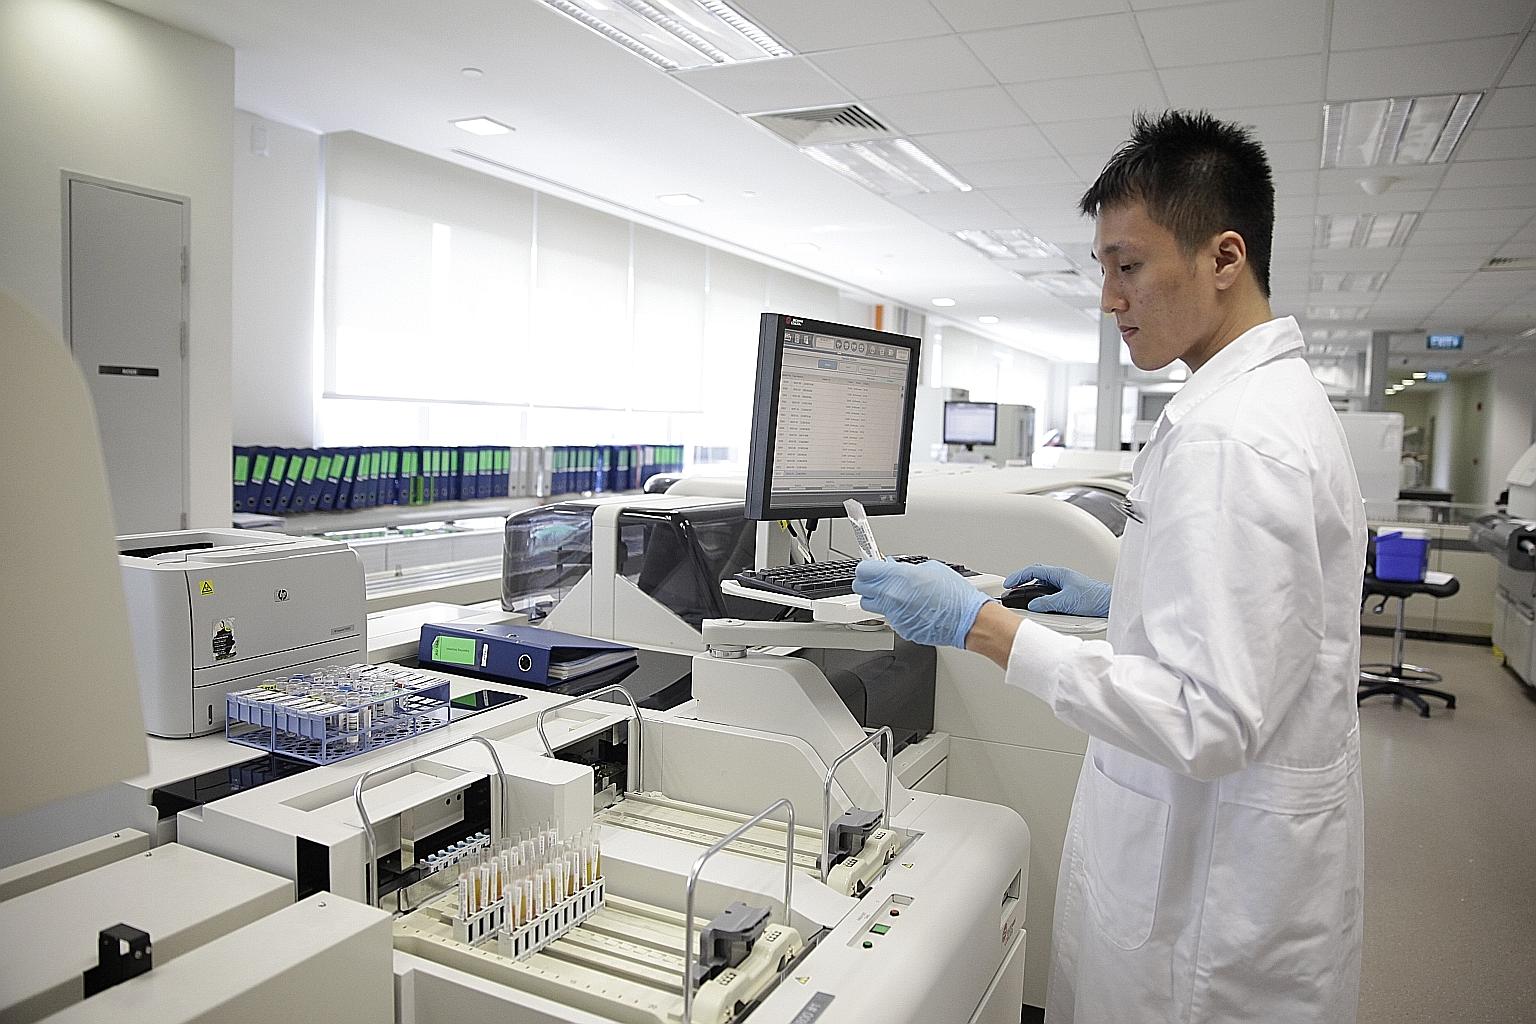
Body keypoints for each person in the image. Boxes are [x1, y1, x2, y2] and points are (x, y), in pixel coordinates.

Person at [854, 111, 1366, 1023]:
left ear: (1224, 257)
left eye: (1128, 266)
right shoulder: (1261, 404)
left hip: (1205, 912)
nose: (1108, 297)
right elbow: (1260, 623)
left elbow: (1207, 716)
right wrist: (1128, 590)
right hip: (1231, 868)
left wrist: (982, 625)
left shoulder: (1235, 439)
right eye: (1102, 269)